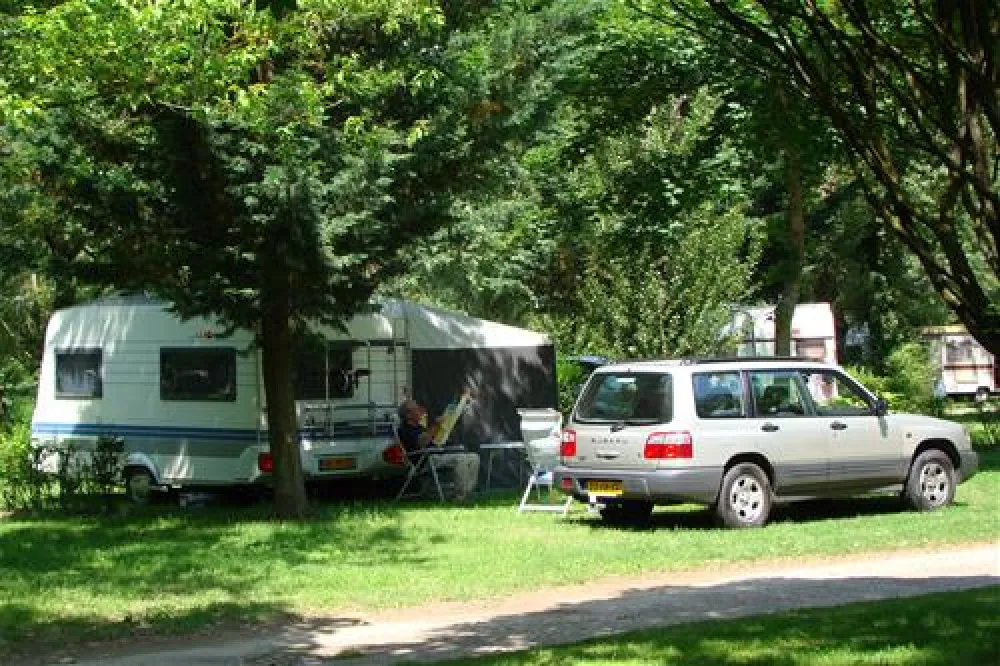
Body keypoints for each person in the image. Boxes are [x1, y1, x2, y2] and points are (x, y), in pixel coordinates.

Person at [395, 397, 480, 500]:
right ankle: (460, 497)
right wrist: (436, 425)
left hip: (436, 455)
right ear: (408, 415)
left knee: (474, 457)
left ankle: (468, 493)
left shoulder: (419, 427)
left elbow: (432, 439)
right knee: (460, 459)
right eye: (417, 409)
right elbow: (422, 443)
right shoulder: (405, 430)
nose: (421, 411)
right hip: (426, 460)